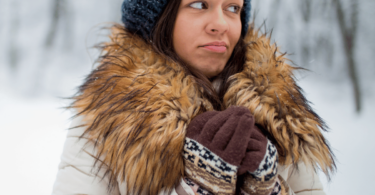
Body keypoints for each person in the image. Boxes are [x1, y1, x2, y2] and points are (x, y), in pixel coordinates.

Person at [52, 0, 336, 194]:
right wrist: (196, 188)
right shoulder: (107, 116)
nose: (221, 24)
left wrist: (268, 188)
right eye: (199, 4)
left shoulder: (278, 114)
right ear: (157, 18)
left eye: (233, 7)